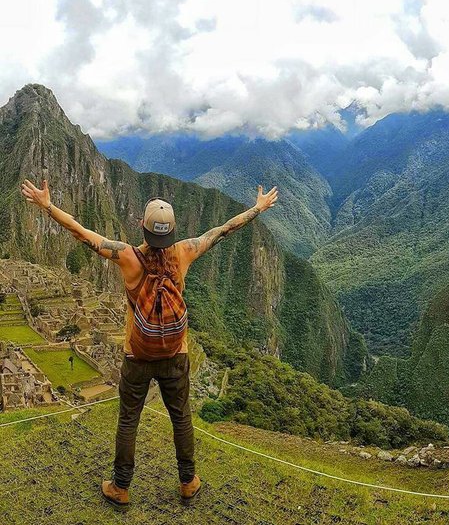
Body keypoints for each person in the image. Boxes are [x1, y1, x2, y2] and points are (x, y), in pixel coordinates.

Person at [21, 178, 279, 509]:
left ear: (142, 226)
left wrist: (47, 206)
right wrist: (257, 209)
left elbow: (82, 233)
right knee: (181, 417)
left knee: (129, 419)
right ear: (172, 232)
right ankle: (188, 482)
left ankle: (121, 487)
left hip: (137, 356)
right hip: (176, 355)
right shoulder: (185, 252)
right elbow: (223, 230)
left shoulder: (127, 258)